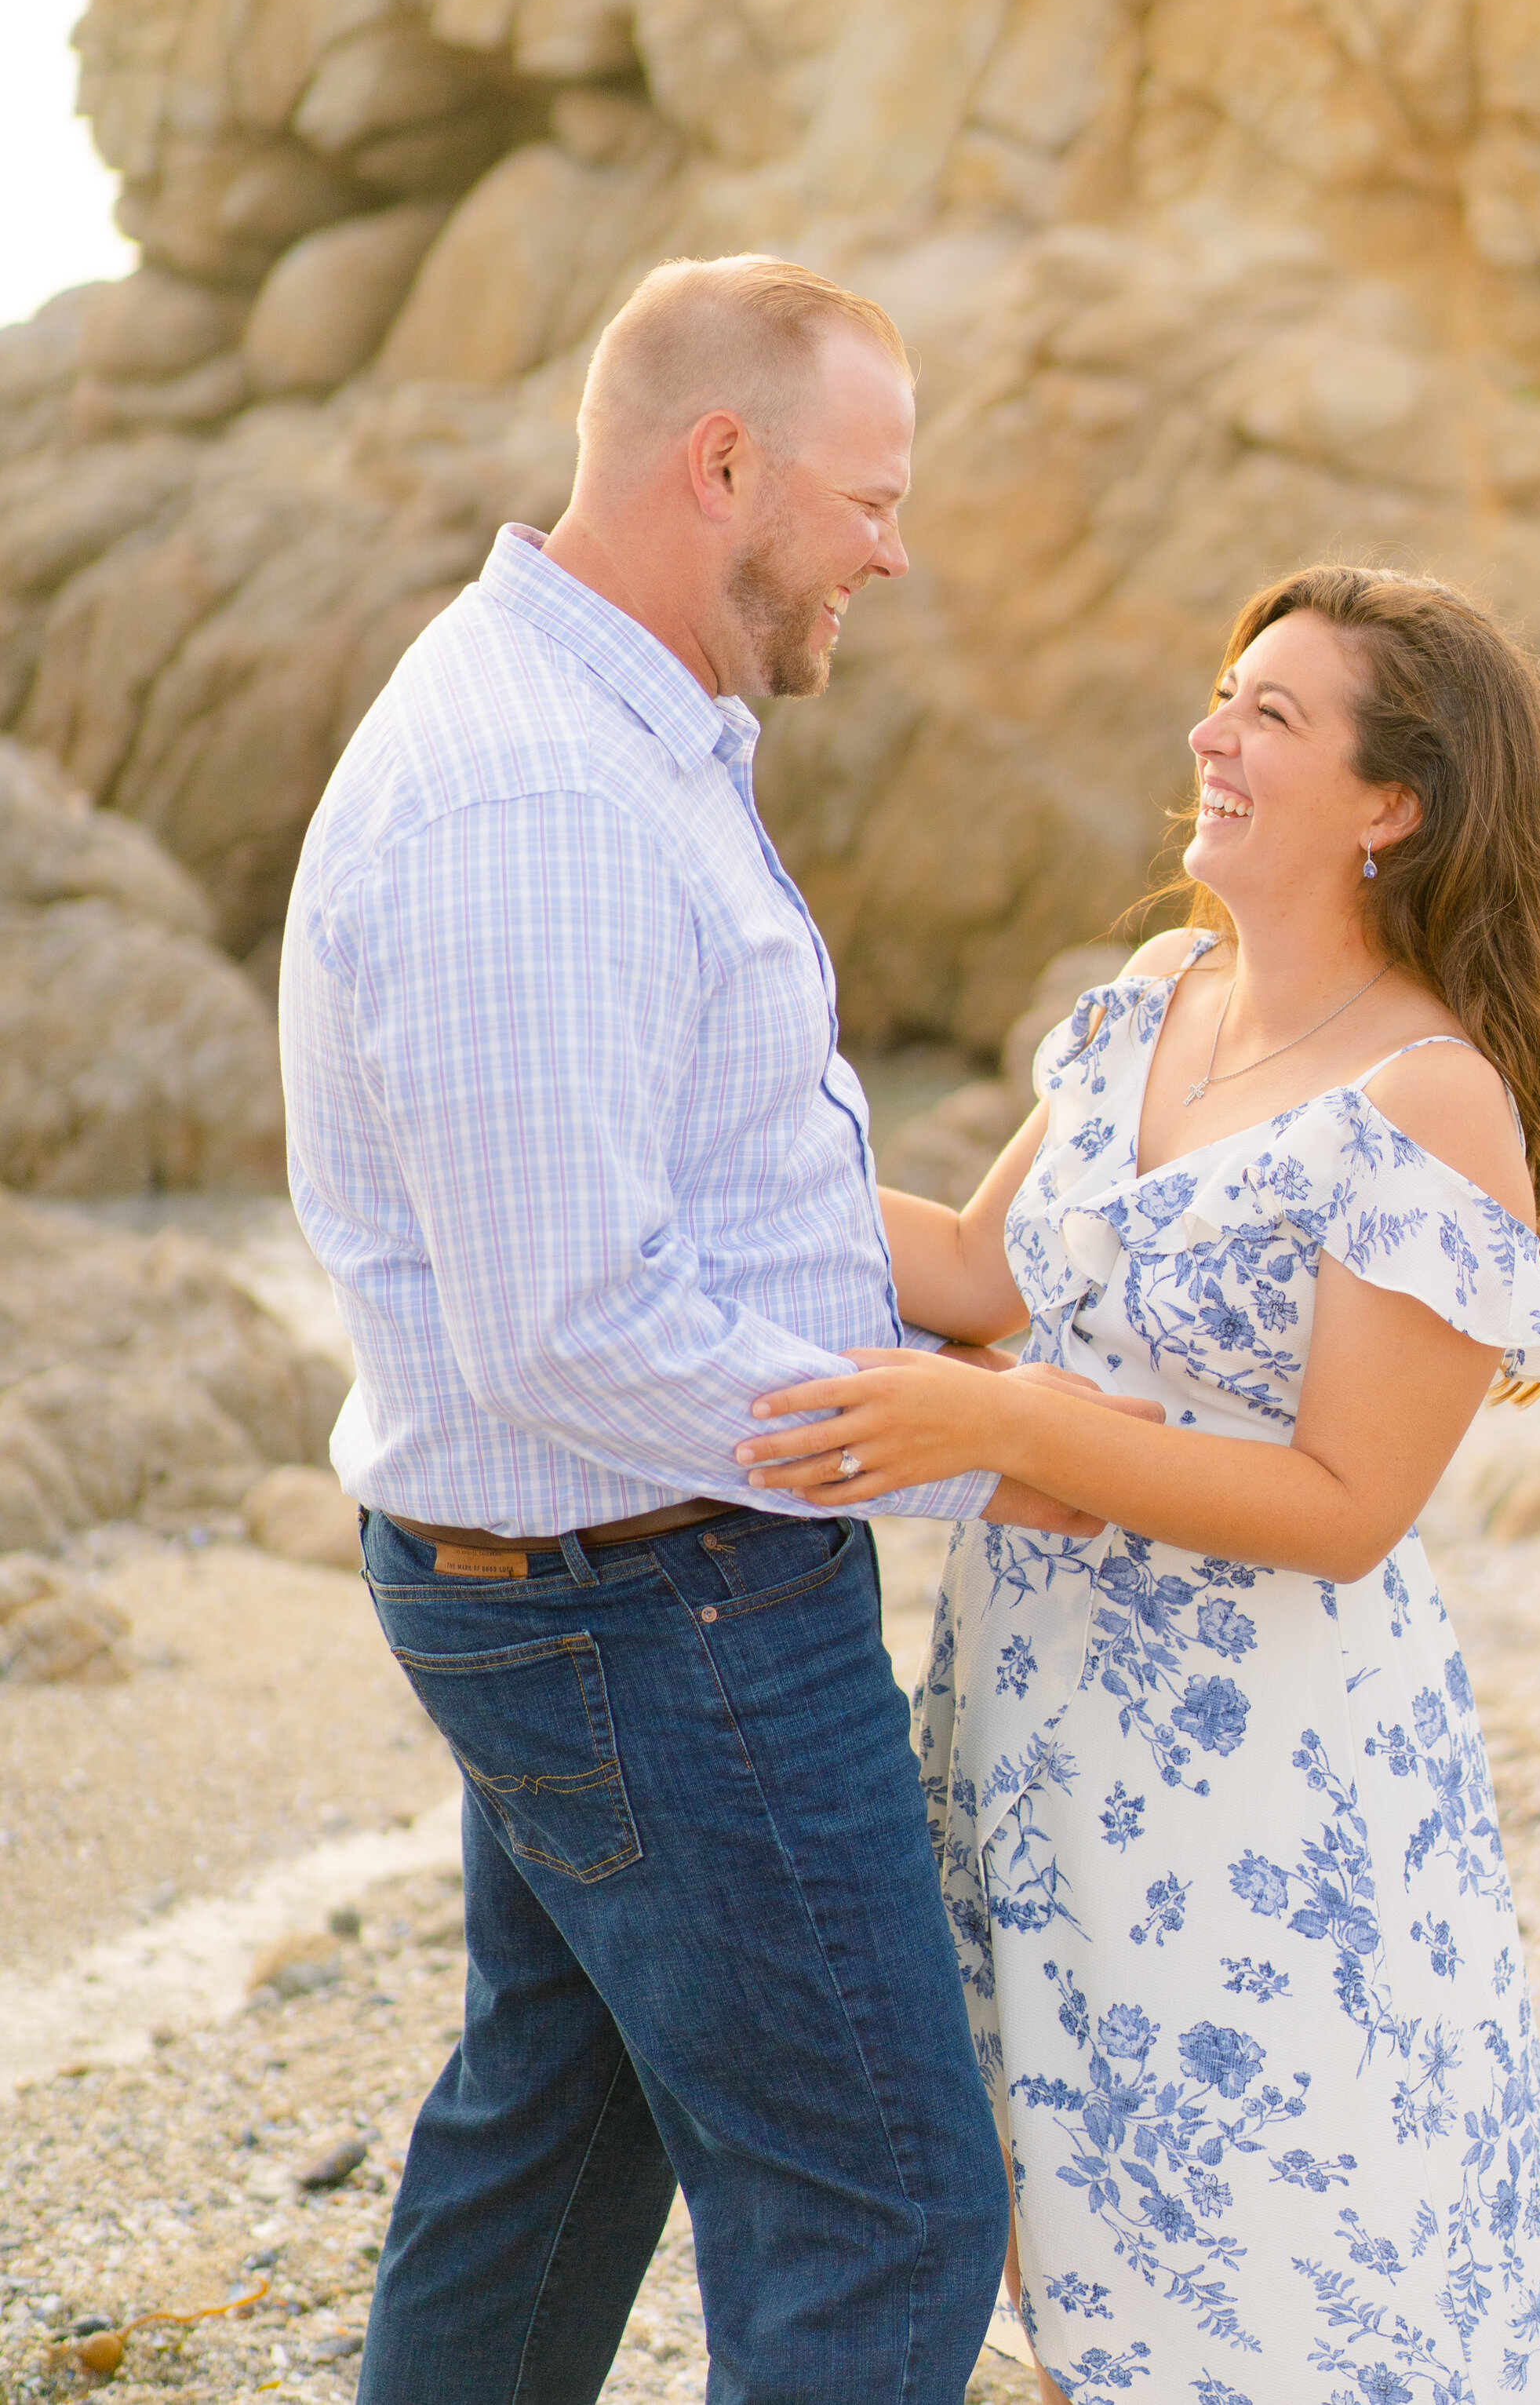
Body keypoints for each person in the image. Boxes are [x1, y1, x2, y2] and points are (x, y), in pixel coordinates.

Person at [279, 253, 1126, 2405]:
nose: (890, 547)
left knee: (551, 2144)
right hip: (652, 1601)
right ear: (720, 459)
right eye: (867, 493)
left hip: (597, 1585)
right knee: (889, 2202)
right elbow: (574, 1315)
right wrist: (954, 1424)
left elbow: (683, 1184)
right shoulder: (536, 788)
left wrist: (1021, 1215)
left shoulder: (626, 731)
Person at [738, 565, 1540, 2405]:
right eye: (1226, 696)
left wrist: (1003, 1432)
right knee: (1087, 2262)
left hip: (1269, 1783)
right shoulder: (1150, 995)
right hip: (1035, 1731)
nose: (1208, 737)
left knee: (1288, 2273)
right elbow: (982, 1276)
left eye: (1271, 715)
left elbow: (1343, 1502)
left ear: (1395, 804)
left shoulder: (1429, 1098)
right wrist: (692, 1169)